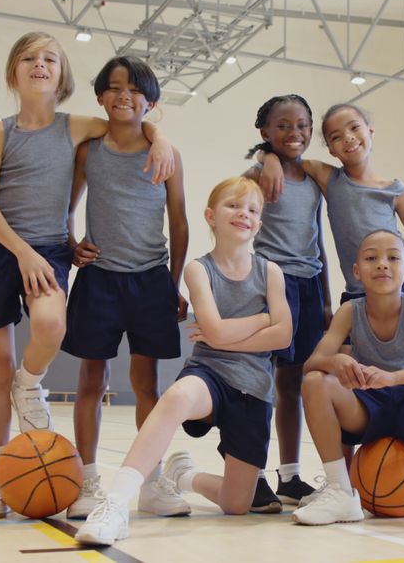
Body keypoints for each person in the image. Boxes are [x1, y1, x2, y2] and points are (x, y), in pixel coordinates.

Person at [0, 32, 173, 519]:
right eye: (29, 58)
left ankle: (31, 383)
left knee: (51, 326)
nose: (40, 64)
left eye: (50, 59)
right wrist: (22, 253)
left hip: (51, 252)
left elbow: (131, 122)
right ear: (13, 71)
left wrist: (161, 136)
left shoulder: (77, 126)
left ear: (62, 76)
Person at [75, 177, 292, 546]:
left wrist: (230, 331)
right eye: (233, 206)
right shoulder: (198, 269)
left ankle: (183, 476)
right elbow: (217, 335)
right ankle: (115, 505)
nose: (244, 214)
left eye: (253, 210)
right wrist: (262, 319)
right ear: (211, 216)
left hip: (254, 389)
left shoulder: (270, 272)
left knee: (236, 504)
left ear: (259, 223)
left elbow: (283, 336)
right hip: (210, 375)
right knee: (175, 397)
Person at [60, 56, 189, 519]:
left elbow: (179, 221)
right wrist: (71, 242)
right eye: (114, 87)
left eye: (135, 89)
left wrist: (173, 282)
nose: (123, 96)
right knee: (91, 380)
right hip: (99, 280)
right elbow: (66, 205)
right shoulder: (88, 149)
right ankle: (88, 479)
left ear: (149, 102)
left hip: (150, 279)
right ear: (99, 96)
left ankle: (150, 483)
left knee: (147, 384)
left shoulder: (166, 154)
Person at [290, 229, 404, 532]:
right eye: (371, 258)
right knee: (314, 381)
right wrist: (336, 360)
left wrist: (393, 378)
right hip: (366, 407)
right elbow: (313, 362)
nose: (382, 264)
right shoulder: (350, 311)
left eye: (393, 257)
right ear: (356, 272)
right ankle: (340, 491)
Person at [241, 94, 331, 512]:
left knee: (292, 386)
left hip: (309, 287)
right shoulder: (254, 177)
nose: (293, 133)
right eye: (282, 126)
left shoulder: (314, 181)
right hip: (269, 284)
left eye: (302, 125)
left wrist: (327, 298)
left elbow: (319, 240)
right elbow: (239, 235)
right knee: (258, 381)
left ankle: (290, 476)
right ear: (264, 132)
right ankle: (252, 475)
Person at [259, 103, 404, 305]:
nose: (348, 137)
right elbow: (288, 158)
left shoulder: (394, 190)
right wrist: (268, 158)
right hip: (360, 290)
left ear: (370, 131)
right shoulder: (329, 178)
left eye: (354, 127)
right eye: (336, 137)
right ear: (331, 150)